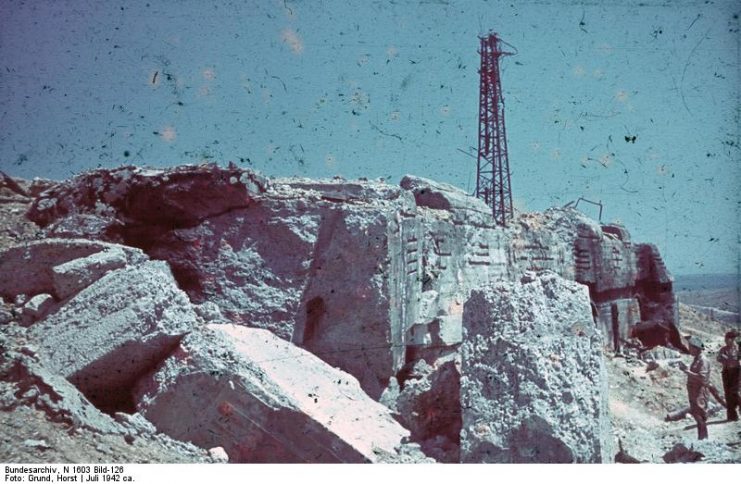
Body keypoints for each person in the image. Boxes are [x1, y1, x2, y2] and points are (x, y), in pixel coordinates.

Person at [678, 336, 710, 440]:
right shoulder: (696, 359)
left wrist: (686, 371)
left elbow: (702, 377)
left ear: (697, 348)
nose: (689, 349)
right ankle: (702, 438)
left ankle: (704, 438)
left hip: (700, 391)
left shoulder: (703, 361)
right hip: (694, 391)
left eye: (691, 347)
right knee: (697, 415)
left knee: (700, 415)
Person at [716, 330, 740, 421]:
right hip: (726, 372)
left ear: (733, 339)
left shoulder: (738, 348)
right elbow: (718, 358)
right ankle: (732, 416)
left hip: (736, 372)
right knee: (728, 394)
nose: (726, 341)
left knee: (735, 392)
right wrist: (723, 359)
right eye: (725, 339)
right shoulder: (723, 349)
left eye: (728, 339)